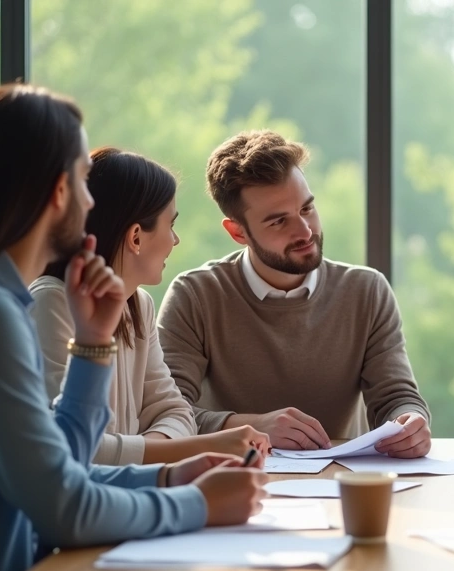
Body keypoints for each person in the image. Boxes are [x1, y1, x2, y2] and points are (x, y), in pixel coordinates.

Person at [0, 85, 267, 571]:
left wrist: (163, 472)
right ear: (57, 191)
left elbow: (55, 468)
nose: (92, 200)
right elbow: (61, 510)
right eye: (82, 180)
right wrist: (195, 503)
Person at [157, 130, 431, 457]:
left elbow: (396, 396)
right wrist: (252, 426)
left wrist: (411, 421)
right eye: (278, 222)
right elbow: (167, 415)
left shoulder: (367, 291)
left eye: (307, 209)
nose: (304, 231)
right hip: (238, 484)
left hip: (343, 485)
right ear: (238, 232)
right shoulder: (196, 296)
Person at [30, 147, 270, 465]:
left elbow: (175, 411)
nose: (175, 239)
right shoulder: (50, 303)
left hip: (124, 495)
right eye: (171, 225)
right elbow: (69, 446)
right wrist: (189, 450)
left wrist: (151, 452)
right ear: (136, 238)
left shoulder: (138, 304)